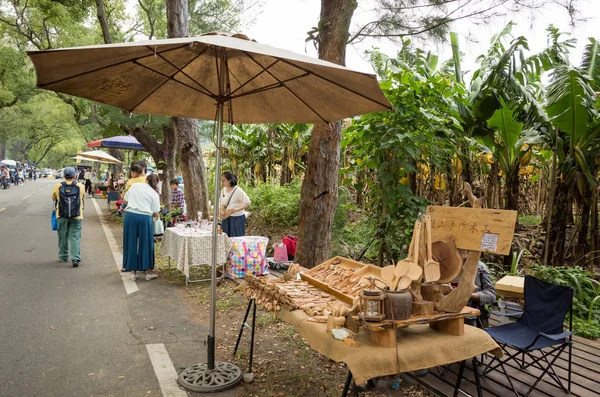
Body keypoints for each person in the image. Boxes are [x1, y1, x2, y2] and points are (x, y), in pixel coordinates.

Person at [122, 174, 160, 281]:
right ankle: (148, 273)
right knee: (146, 244)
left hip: (130, 216)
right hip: (145, 218)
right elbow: (155, 213)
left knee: (131, 243)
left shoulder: (135, 185)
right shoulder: (154, 194)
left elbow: (125, 200)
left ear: (146, 180)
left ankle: (133, 273)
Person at [52, 167, 85, 267]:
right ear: (75, 176)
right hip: (77, 216)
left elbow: (54, 197)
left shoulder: (58, 186)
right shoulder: (80, 186)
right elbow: (82, 197)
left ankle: (63, 256)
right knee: (75, 237)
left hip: (61, 215)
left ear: (63, 176)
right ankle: (75, 258)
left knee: (62, 236)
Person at [454, 249, 497, 328]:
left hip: (469, 318)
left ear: (467, 252)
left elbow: (491, 295)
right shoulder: (442, 266)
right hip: (445, 314)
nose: (454, 253)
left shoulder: (479, 267)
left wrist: (468, 294)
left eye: (458, 250)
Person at [219, 171, 250, 238]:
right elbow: (221, 202)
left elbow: (247, 203)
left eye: (224, 180)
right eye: (221, 180)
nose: (222, 182)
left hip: (237, 218)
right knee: (225, 237)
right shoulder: (223, 190)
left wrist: (236, 209)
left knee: (236, 237)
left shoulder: (238, 190)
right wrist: (221, 210)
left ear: (229, 180)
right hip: (226, 217)